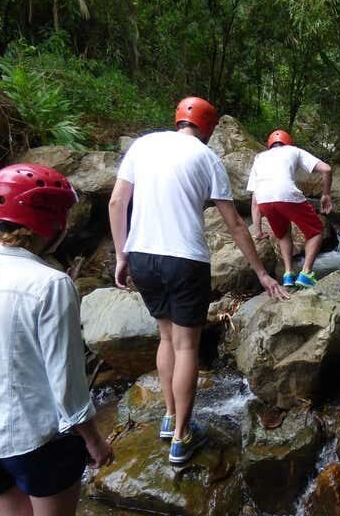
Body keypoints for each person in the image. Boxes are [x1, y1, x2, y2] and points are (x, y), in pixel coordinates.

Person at [108, 97, 289, 464]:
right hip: (185, 259)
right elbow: (236, 225)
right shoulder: (207, 158)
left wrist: (121, 255)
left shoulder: (143, 145)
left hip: (142, 255)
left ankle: (169, 417)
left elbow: (116, 203)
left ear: (177, 120)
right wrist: (262, 273)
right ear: (207, 129)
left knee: (166, 337)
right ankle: (181, 437)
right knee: (187, 347)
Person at [0, 163, 113, 516]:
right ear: (52, 221)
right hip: (36, 440)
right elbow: (66, 378)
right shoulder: (49, 284)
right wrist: (94, 440)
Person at [249, 129, 333, 288]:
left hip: (264, 199)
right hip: (287, 194)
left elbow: (254, 200)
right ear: (288, 143)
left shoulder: (259, 158)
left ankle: (288, 275)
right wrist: (326, 194)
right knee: (315, 231)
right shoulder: (294, 151)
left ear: (270, 145)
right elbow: (326, 169)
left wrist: (258, 231)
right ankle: (306, 273)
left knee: (282, 234)